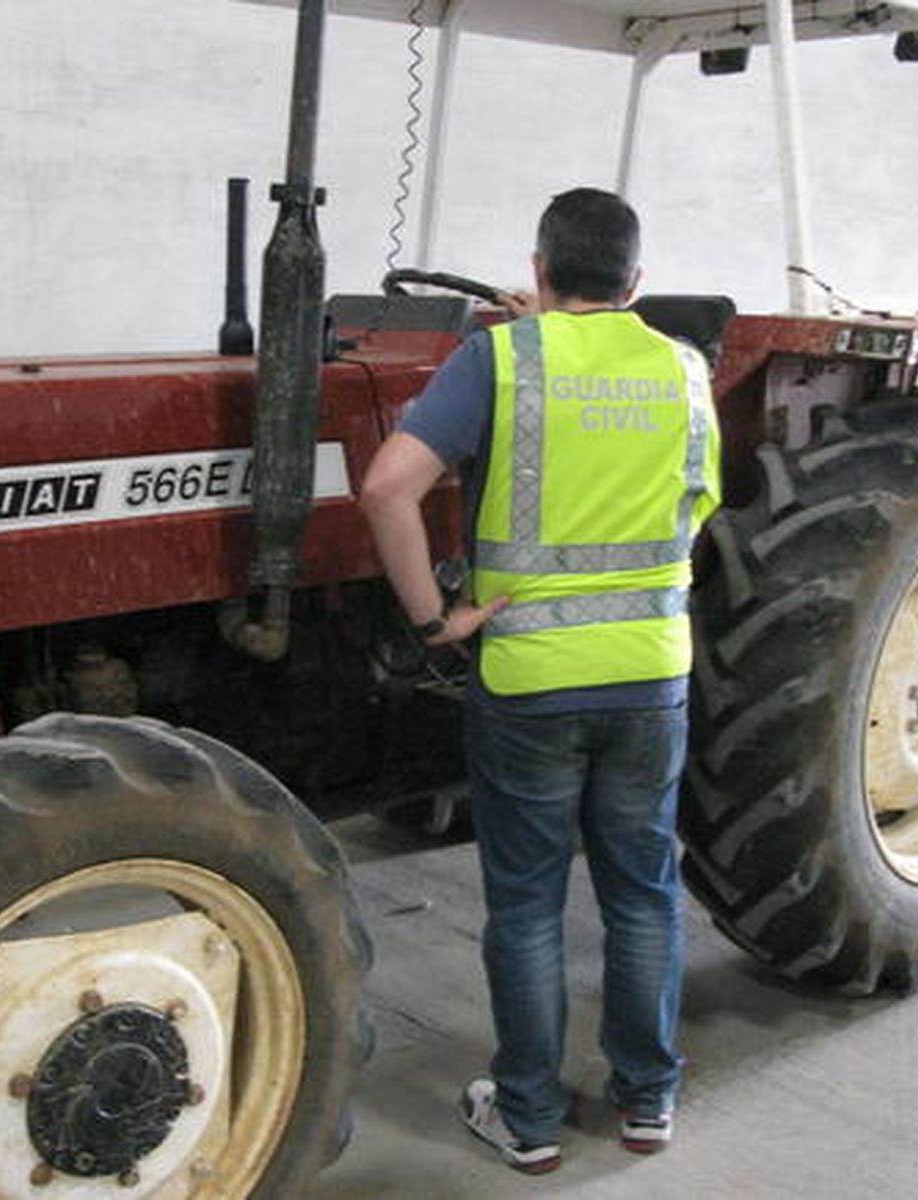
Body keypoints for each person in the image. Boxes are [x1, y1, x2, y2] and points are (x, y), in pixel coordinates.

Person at [359, 187, 720, 1175]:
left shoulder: (502, 360)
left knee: (526, 907)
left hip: (530, 681)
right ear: (636, 282)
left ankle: (527, 1116)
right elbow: (694, 504)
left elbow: (386, 488)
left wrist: (434, 623)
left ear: (539, 270)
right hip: (649, 675)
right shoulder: (684, 368)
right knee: (642, 892)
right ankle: (647, 1101)